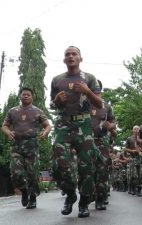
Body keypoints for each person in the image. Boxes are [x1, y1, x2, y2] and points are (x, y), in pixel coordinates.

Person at [50, 46, 103, 218]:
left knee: (86, 166)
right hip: (63, 125)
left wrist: (87, 91)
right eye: (67, 54)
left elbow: (100, 104)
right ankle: (70, 195)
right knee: (59, 165)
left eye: (74, 54)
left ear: (81, 58)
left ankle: (84, 203)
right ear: (64, 59)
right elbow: (52, 104)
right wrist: (56, 101)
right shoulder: (57, 80)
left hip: (83, 125)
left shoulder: (89, 78)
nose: (71, 56)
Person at [2, 87, 51, 209]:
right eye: (23, 94)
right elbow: (5, 126)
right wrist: (8, 132)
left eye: (28, 94)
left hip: (32, 145)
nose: (26, 96)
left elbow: (47, 126)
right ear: (20, 96)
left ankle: (33, 197)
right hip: (16, 145)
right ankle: (24, 191)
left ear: (32, 97)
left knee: (32, 173)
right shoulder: (13, 111)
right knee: (15, 173)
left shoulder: (37, 111)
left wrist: (45, 133)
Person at [90, 80, 117, 210]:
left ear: (100, 90)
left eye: (97, 88)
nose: (95, 90)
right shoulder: (83, 105)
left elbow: (113, 124)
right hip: (86, 142)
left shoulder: (106, 106)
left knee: (101, 170)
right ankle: (89, 195)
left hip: (102, 141)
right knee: (87, 171)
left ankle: (100, 198)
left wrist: (110, 126)